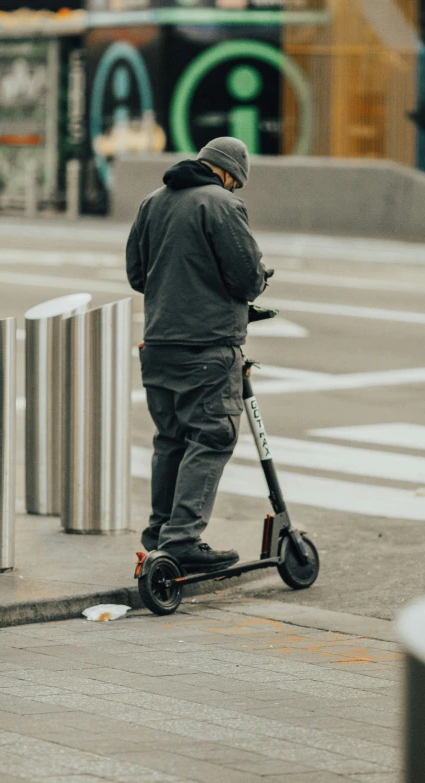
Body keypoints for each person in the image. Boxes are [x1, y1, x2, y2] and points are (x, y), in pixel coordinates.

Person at [126, 136, 271, 573]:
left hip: (159, 345)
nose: (234, 190)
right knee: (212, 436)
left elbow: (137, 274)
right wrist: (260, 278)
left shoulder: (153, 201)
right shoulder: (222, 205)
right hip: (206, 346)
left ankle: (160, 536)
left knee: (171, 439)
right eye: (236, 183)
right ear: (229, 173)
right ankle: (183, 540)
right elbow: (247, 278)